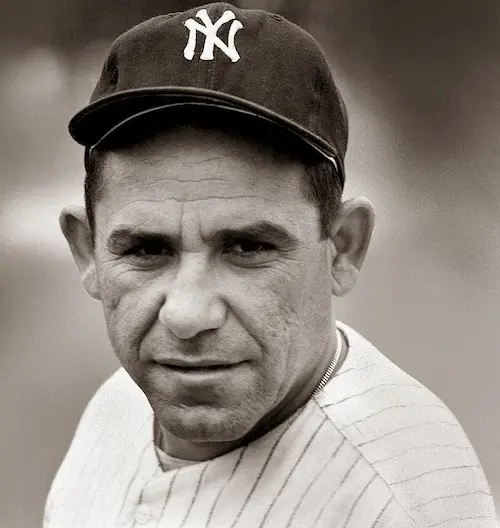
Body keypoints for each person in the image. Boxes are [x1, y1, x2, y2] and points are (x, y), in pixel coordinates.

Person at [44, 3, 499, 527]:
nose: (187, 316)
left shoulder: (402, 505)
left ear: (343, 248)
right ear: (87, 251)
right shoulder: (123, 402)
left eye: (248, 247)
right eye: (147, 250)